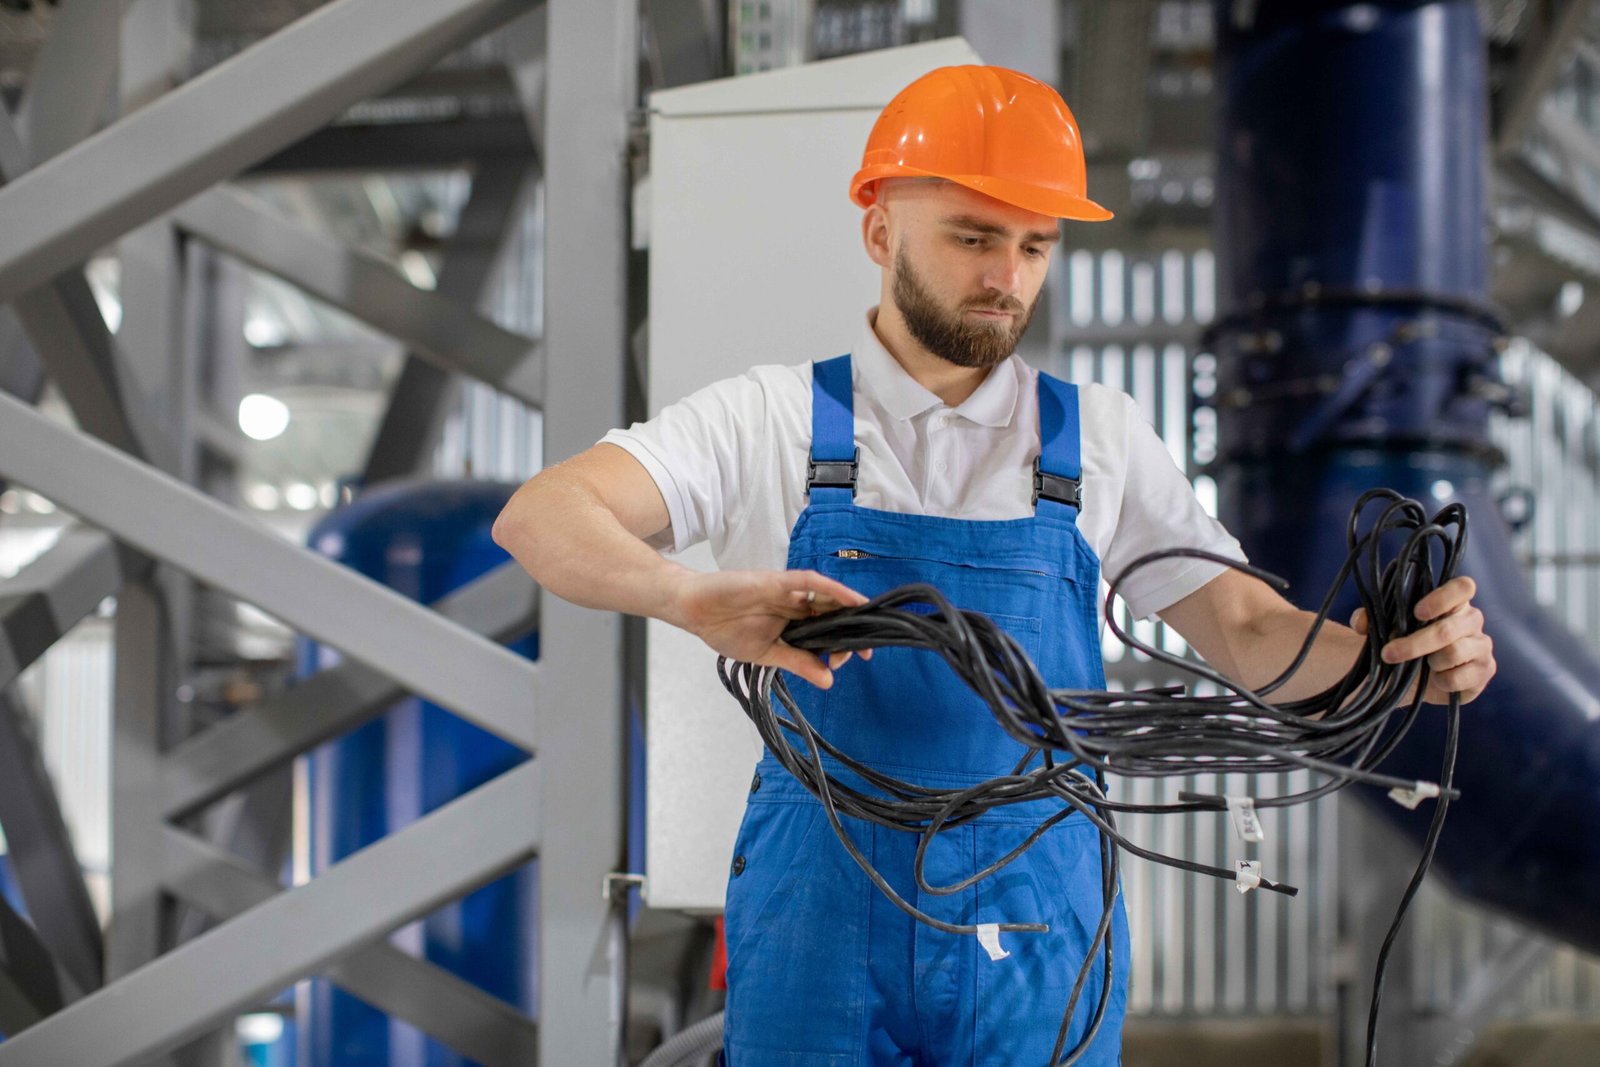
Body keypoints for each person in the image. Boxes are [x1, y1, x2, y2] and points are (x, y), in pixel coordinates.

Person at [492, 64, 1496, 1067]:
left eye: (1033, 245)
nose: (1005, 277)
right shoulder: (771, 419)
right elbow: (544, 515)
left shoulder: (1096, 436)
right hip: (821, 912)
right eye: (972, 237)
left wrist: (1388, 662)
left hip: (1036, 919)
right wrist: (686, 594)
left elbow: (1244, 627)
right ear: (880, 231)